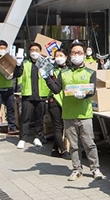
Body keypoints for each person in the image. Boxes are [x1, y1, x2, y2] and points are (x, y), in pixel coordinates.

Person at [46, 41, 105, 181]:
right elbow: (56, 89)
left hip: (84, 114)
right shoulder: (63, 73)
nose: (76, 55)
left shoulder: (90, 72)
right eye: (73, 53)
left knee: (89, 143)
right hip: (68, 113)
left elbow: (92, 91)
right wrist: (46, 78)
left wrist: (85, 94)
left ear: (84, 55)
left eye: (79, 53)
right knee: (73, 145)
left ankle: (95, 168)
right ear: (69, 56)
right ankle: (76, 169)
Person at [16, 43, 49, 150]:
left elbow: (51, 76)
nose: (34, 52)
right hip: (28, 94)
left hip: (41, 94)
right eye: (32, 50)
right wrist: (18, 64)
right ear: (29, 52)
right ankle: (22, 138)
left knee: (39, 117)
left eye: (36, 50)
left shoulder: (45, 63)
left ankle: (37, 137)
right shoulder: (25, 63)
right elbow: (17, 74)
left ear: (40, 52)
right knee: (25, 117)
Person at [48, 49, 69, 158]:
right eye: (56, 56)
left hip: (65, 101)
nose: (59, 58)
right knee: (58, 126)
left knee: (63, 126)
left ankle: (54, 149)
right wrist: (49, 72)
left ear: (66, 56)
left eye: (61, 55)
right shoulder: (52, 69)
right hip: (54, 100)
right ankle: (63, 150)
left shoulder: (69, 70)